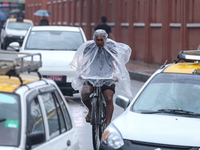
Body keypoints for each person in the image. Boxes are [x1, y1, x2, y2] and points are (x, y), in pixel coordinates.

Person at [70, 29, 132, 126]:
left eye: (101, 40)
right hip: (92, 76)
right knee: (85, 93)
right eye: (97, 40)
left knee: (108, 97)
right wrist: (82, 72)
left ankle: (108, 123)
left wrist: (114, 73)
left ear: (105, 39)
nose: (99, 42)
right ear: (94, 39)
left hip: (108, 77)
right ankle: (90, 110)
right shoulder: (89, 46)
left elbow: (115, 61)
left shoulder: (111, 46)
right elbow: (84, 61)